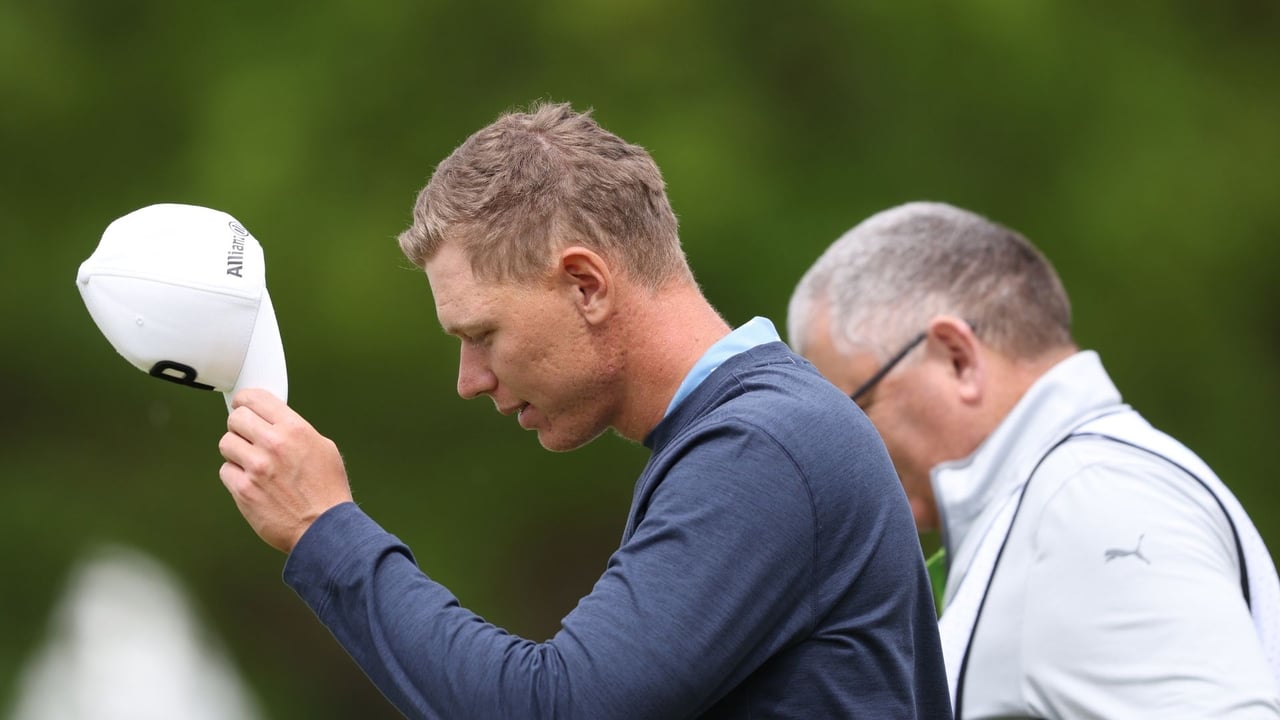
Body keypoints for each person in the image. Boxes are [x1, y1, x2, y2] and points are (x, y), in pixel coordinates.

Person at [216, 104, 951, 719]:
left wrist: (326, 532)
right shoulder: (750, 435)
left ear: (586, 285)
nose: (469, 380)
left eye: (482, 335)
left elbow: (556, 709)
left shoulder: (764, 448)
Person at [787, 201, 1280, 719]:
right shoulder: (1061, 499)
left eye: (855, 409)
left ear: (957, 357)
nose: (845, 447)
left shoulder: (1089, 499)